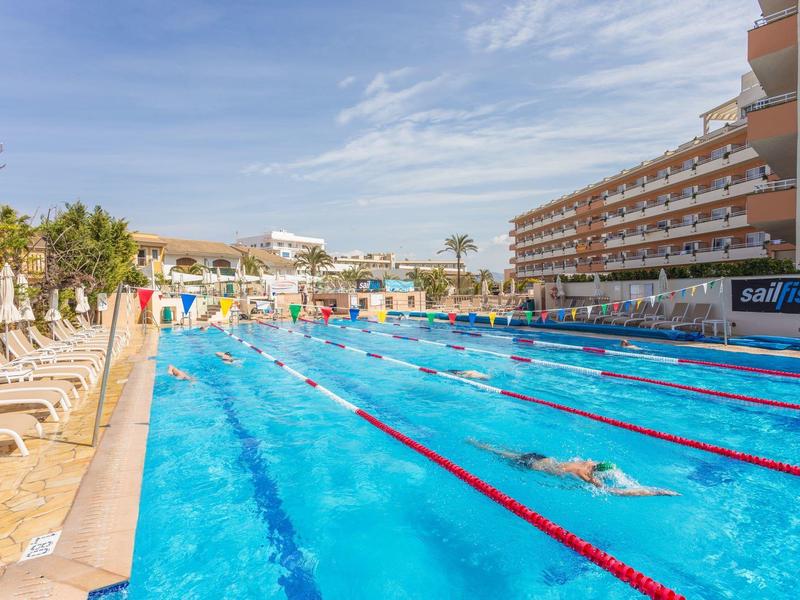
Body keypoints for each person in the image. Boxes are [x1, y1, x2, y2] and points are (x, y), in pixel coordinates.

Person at [468, 439, 678, 497]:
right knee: (499, 454)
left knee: (507, 451)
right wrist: (655, 491)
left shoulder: (588, 463)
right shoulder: (587, 476)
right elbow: (619, 493)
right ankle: (477, 445)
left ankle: (481, 444)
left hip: (542, 458)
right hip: (533, 466)